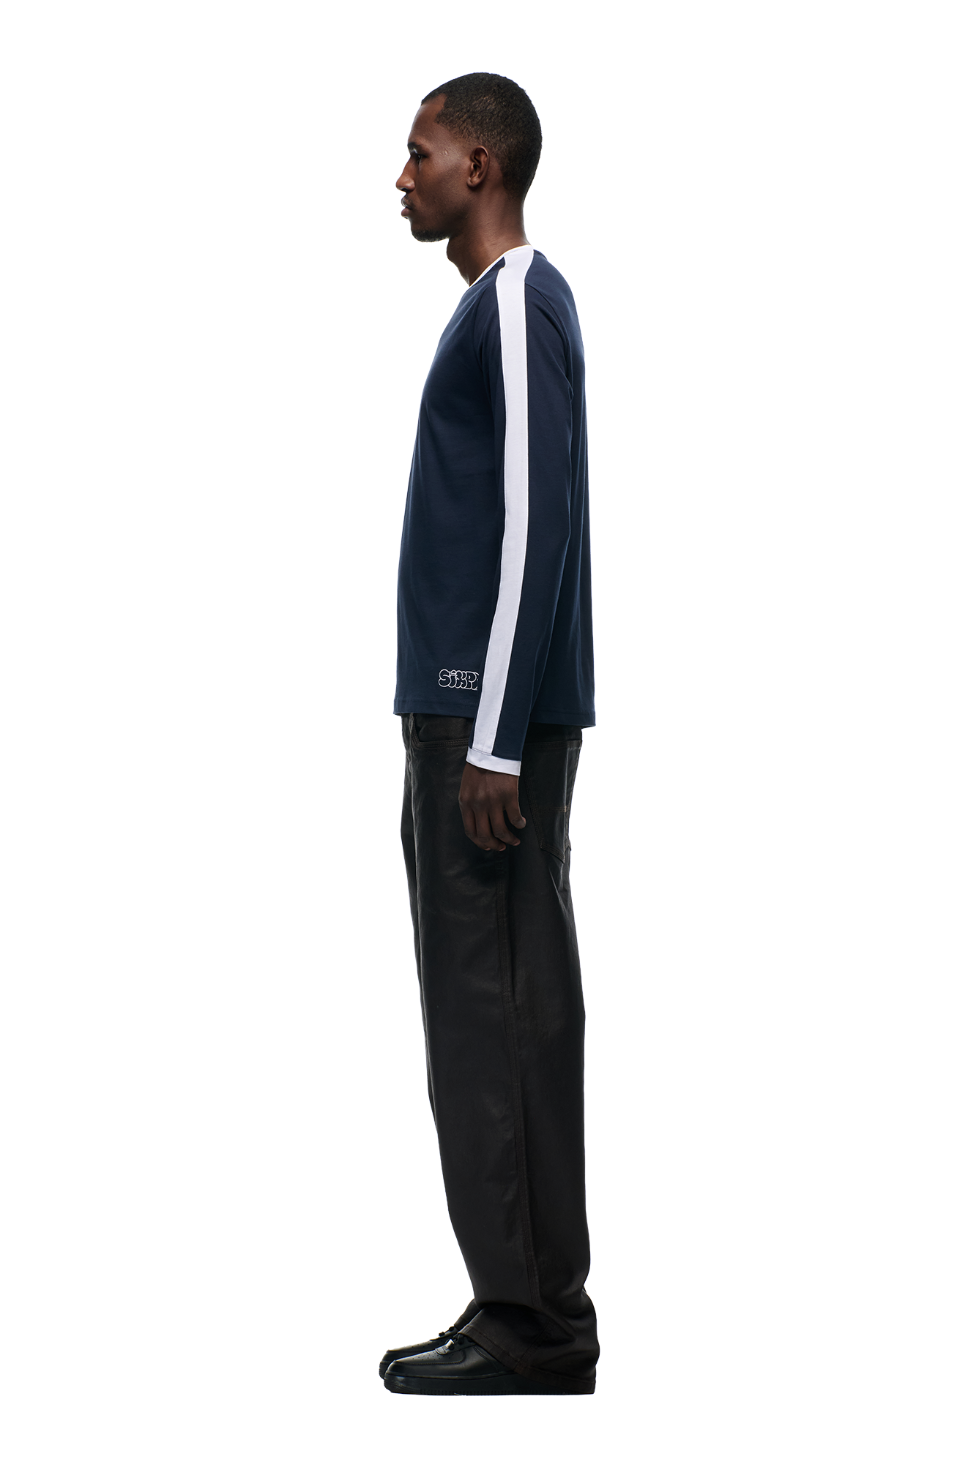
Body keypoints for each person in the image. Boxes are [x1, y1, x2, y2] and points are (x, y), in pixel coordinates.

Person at [385, 73, 598, 1397]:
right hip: (473, 707)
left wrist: (497, 737)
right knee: (491, 1004)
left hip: (483, 717)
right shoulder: (499, 304)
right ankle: (525, 1304)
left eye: (419, 153)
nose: (401, 175)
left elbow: (537, 514)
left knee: (496, 1005)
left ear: (480, 166)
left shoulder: (519, 295)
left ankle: (533, 1324)